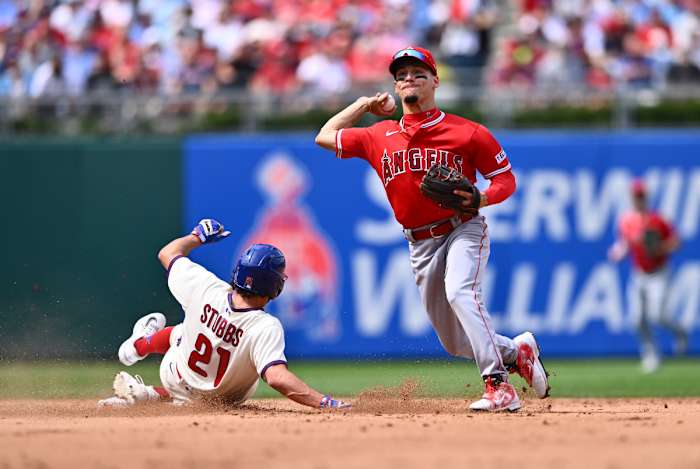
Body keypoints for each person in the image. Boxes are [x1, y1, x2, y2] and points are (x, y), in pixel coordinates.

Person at [314, 46, 549, 412]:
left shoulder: (467, 132)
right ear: (395, 86)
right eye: (402, 75)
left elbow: (506, 180)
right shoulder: (379, 135)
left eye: (418, 74)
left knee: (460, 292)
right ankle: (514, 352)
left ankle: (498, 387)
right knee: (454, 342)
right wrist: (362, 104)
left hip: (462, 228)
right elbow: (324, 136)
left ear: (435, 81)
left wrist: (481, 200)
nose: (409, 79)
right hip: (419, 244)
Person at [98, 218, 350, 410]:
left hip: (175, 375)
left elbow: (167, 253)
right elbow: (276, 378)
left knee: (183, 332)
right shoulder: (265, 326)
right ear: (276, 285)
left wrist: (197, 237)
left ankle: (140, 354)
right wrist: (325, 402)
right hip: (219, 403)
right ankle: (141, 363)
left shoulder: (205, 287)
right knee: (190, 343)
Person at [608, 180, 688, 373]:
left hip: (659, 273)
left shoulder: (658, 219)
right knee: (637, 319)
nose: (639, 199)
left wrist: (660, 248)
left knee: (658, 316)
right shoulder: (626, 220)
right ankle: (651, 355)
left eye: (641, 195)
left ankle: (680, 332)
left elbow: (677, 242)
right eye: (636, 196)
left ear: (646, 197)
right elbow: (625, 244)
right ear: (631, 198)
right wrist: (618, 252)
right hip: (639, 274)